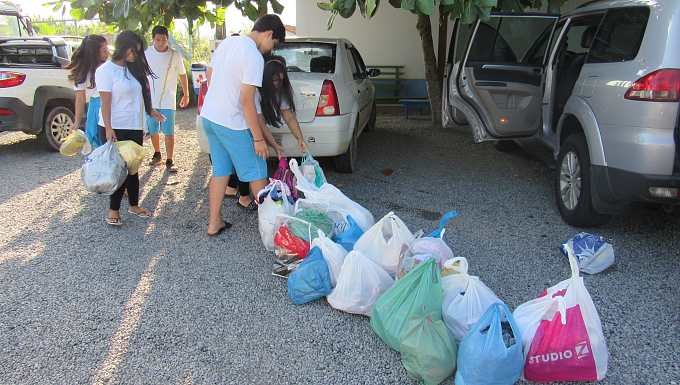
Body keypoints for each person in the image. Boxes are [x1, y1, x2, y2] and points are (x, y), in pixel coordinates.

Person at [200, 14, 285, 236]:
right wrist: (258, 140)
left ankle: (214, 222)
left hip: (209, 116)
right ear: (268, 34)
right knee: (257, 172)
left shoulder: (228, 42)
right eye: (272, 44)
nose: (269, 50)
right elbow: (247, 100)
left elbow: (209, 75)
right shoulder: (254, 56)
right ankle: (276, 232)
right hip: (231, 122)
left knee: (220, 171)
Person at [96, 31, 165, 226]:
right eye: (134, 50)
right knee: (120, 169)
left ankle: (134, 205)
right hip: (114, 126)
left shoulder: (133, 68)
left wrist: (151, 111)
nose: (136, 54)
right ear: (123, 47)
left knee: (133, 167)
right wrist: (109, 128)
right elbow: (105, 103)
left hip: (134, 125)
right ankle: (113, 210)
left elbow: (143, 91)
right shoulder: (105, 71)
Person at [225, 56, 307, 210]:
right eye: (275, 80)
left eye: (281, 80)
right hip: (238, 123)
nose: (278, 84)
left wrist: (300, 138)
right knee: (249, 159)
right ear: (266, 79)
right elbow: (260, 123)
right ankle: (243, 197)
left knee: (247, 159)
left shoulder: (280, 90)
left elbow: (288, 116)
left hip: (251, 124)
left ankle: (232, 188)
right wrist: (275, 146)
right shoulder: (255, 91)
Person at [145, 25, 190, 173]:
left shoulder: (175, 55)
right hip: (150, 100)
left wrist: (186, 93)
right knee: (153, 130)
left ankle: (170, 159)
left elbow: (182, 75)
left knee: (169, 132)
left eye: (164, 40)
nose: (161, 43)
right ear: (153, 39)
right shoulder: (146, 54)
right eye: (158, 40)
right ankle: (157, 153)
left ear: (167, 39)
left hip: (168, 99)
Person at [66, 34, 109, 147]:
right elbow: (80, 98)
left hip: (112, 105)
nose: (108, 53)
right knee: (98, 142)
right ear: (94, 53)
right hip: (96, 108)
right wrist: (77, 122)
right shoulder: (84, 72)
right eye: (104, 50)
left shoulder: (110, 67)